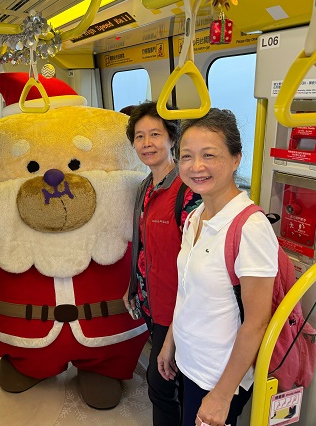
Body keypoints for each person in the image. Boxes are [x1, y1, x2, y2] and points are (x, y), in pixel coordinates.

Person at [158, 108, 277, 426]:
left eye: (209, 155)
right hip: (190, 361)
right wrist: (170, 343)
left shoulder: (250, 227)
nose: (196, 166)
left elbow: (257, 323)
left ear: (236, 158)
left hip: (218, 377)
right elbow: (187, 292)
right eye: (186, 156)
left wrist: (223, 395)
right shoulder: (195, 216)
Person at [123, 102, 201, 425]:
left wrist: (175, 322)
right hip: (152, 302)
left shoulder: (187, 191)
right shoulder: (145, 186)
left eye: (155, 134)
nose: (147, 143)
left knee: (161, 384)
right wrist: (133, 286)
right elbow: (144, 246)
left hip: (177, 309)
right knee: (167, 383)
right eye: (139, 136)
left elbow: (196, 261)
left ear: (172, 138)